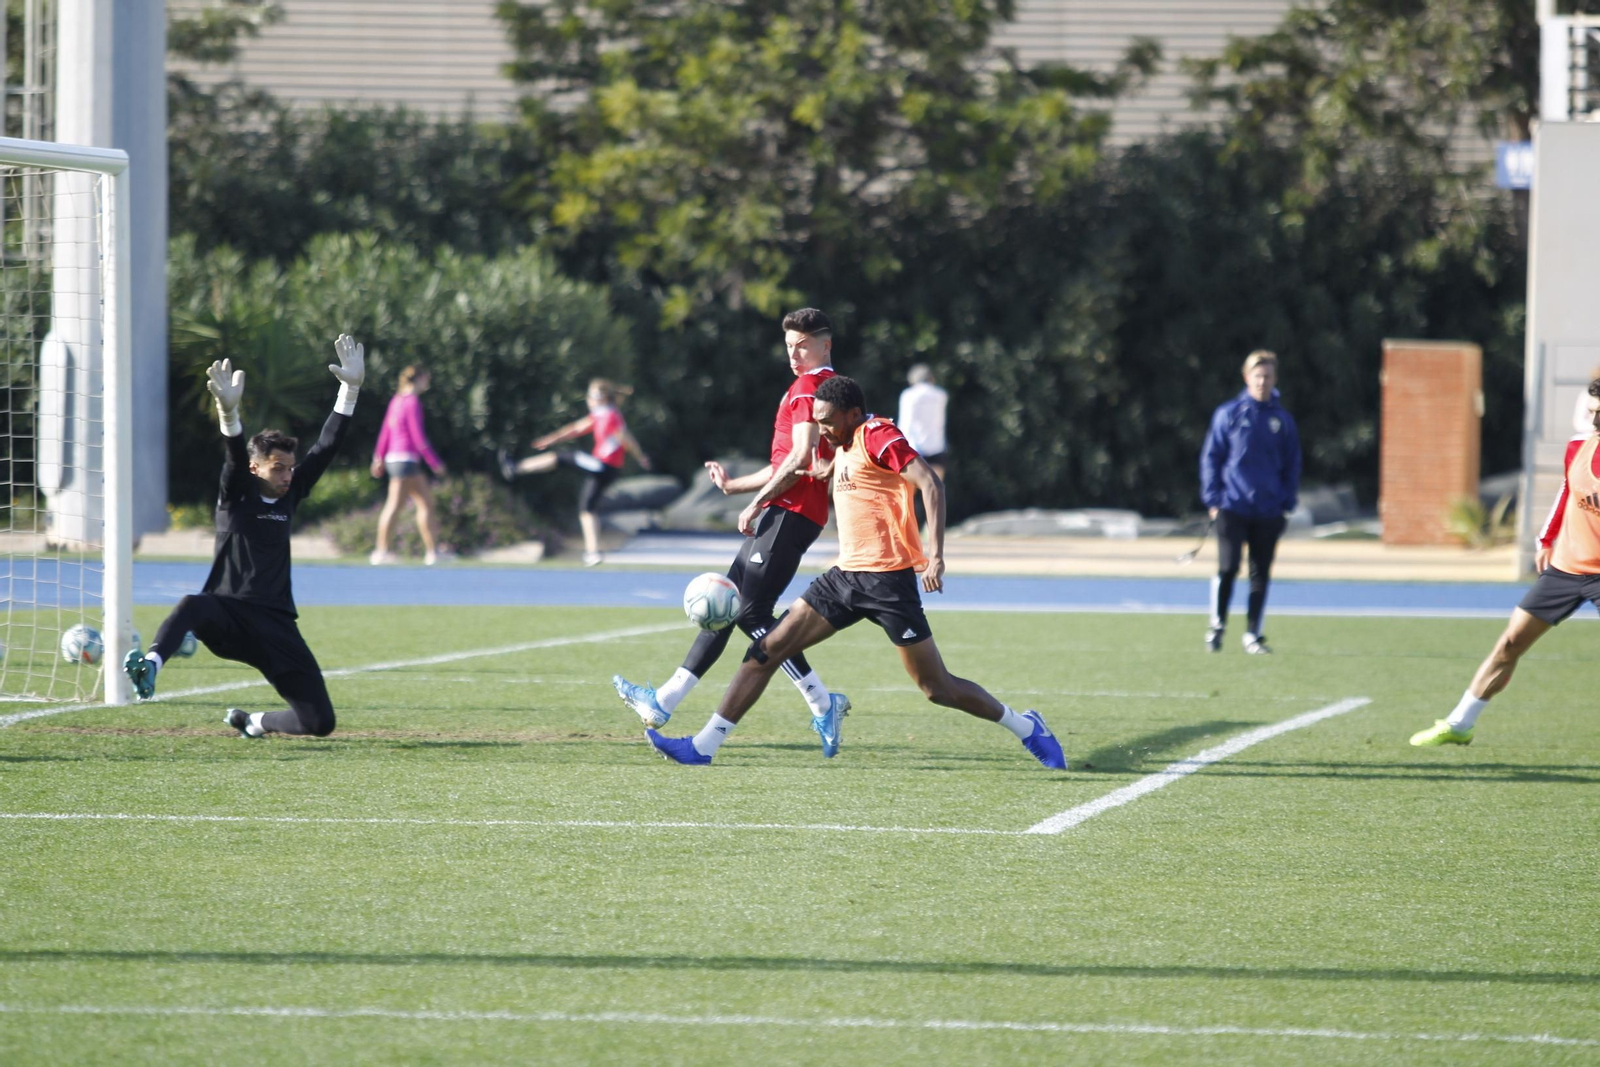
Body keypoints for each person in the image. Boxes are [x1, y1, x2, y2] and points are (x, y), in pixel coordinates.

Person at [644, 374, 1066, 770]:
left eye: (827, 422)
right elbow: (816, 468)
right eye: (818, 422)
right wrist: (744, 489)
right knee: (764, 652)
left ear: (851, 413)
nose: (822, 430)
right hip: (844, 578)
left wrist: (935, 556)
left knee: (937, 688)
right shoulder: (840, 445)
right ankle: (704, 746)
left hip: (888, 582)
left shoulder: (879, 435)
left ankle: (1026, 725)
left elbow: (930, 484)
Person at [611, 308, 851, 755]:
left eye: (802, 345)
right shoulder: (821, 388)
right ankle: (663, 701)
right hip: (790, 511)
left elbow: (799, 461)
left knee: (752, 615)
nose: (794, 354)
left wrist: (755, 502)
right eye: (788, 346)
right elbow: (791, 461)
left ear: (824, 345)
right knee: (727, 604)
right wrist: (735, 485)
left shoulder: (808, 387)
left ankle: (822, 702)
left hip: (789, 513)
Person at [122, 335, 366, 739]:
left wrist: (350, 389)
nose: (289, 475)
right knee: (191, 605)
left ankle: (252, 722)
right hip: (229, 617)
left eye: (290, 468)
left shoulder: (291, 494)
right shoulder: (236, 495)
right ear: (257, 469)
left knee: (319, 723)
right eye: (278, 468)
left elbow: (326, 446)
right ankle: (150, 665)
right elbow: (235, 455)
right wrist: (228, 413)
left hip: (276, 624)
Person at [1412, 378, 1600, 746]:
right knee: (1510, 642)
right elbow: (1566, 491)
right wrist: (1546, 539)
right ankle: (1459, 724)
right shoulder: (1578, 446)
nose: (1594, 422)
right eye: (1593, 412)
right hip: (1566, 568)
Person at [1199, 349, 1301, 655]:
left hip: (1268, 510)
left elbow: (1292, 464)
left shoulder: (1282, 420)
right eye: (1257, 375)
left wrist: (1286, 502)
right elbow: (1212, 457)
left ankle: (1253, 634)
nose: (1262, 381)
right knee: (1228, 568)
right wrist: (1214, 498)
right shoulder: (1229, 414)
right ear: (1247, 378)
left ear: (1275, 379)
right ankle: (1217, 626)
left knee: (1260, 573)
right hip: (1232, 506)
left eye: (1268, 375)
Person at [501, 378, 651, 566]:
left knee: (563, 457)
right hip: (605, 469)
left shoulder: (609, 415)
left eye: (591, 395)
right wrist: (551, 439)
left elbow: (625, 438)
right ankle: (593, 553)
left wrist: (639, 456)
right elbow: (574, 430)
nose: (588, 399)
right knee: (587, 509)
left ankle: (516, 468)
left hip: (603, 466)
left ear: (601, 398)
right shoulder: (603, 415)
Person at [370, 364, 447, 566]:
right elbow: (418, 437)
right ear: (419, 379)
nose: (427, 384)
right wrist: (434, 462)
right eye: (426, 379)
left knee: (425, 503)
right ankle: (382, 551)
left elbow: (385, 433)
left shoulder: (396, 400)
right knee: (397, 505)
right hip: (406, 460)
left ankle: (433, 552)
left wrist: (378, 457)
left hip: (395, 460)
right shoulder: (412, 402)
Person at [897, 363, 948, 481]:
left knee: (910, 492)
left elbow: (906, 422)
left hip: (915, 448)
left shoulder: (908, 395)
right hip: (937, 446)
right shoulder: (941, 394)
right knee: (935, 489)